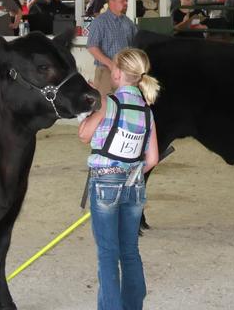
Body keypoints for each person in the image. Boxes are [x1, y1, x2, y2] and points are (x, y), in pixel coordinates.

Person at [78, 47, 160, 310]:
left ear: (119, 73)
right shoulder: (147, 111)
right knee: (129, 250)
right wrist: (130, 174)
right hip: (134, 185)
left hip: (105, 183)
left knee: (107, 254)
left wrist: (92, 108)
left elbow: (84, 135)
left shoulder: (108, 102)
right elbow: (152, 160)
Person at [87, 0, 138, 96]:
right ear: (111, 2)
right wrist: (111, 65)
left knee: (124, 104)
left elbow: (135, 44)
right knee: (105, 106)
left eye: (126, 1)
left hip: (126, 72)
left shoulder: (128, 22)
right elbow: (92, 47)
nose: (126, 4)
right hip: (106, 71)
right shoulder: (100, 22)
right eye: (122, 1)